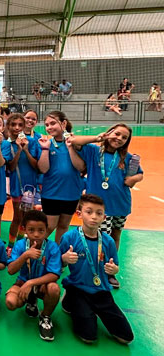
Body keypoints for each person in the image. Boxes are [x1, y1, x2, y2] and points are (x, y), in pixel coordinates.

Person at [68, 124, 143, 288]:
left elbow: (140, 173)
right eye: (117, 134)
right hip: (101, 209)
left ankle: (110, 270)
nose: (119, 139)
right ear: (109, 133)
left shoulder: (127, 158)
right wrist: (98, 137)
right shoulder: (94, 151)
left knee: (115, 238)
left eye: (124, 138)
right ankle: (97, 269)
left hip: (121, 205)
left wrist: (134, 179)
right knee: (102, 240)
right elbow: (75, 141)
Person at [59, 194, 134, 344]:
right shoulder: (69, 238)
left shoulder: (108, 241)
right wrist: (64, 259)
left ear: (104, 217)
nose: (94, 217)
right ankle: (69, 298)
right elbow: (56, 265)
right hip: (78, 287)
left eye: (99, 213)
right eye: (89, 212)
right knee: (88, 337)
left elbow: (116, 266)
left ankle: (93, 309)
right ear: (79, 214)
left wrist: (114, 270)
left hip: (101, 291)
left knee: (126, 338)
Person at [6, 210, 61, 341]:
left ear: (46, 230)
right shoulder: (20, 245)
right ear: (25, 230)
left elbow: (54, 275)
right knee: (10, 302)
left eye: (41, 230)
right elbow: (10, 270)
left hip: (42, 286)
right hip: (22, 283)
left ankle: (45, 317)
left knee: (54, 289)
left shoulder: (52, 247)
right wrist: (25, 255)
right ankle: (31, 302)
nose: (36, 235)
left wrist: (30, 283)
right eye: (31, 230)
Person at [37, 111, 83, 244]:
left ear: (63, 123)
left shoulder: (76, 143)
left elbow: (81, 167)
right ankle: (34, 250)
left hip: (71, 193)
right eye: (46, 125)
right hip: (51, 193)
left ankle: (57, 255)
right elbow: (43, 169)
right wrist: (45, 149)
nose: (49, 127)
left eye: (52, 123)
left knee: (63, 226)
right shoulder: (46, 144)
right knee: (49, 226)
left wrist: (71, 147)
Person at [6, 114, 40, 254]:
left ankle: (20, 244)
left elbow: (36, 165)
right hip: (16, 186)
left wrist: (26, 149)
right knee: (17, 217)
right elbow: (11, 167)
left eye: (20, 125)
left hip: (29, 187)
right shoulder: (7, 145)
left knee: (26, 217)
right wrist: (19, 150)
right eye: (13, 125)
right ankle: (11, 246)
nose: (17, 128)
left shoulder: (32, 142)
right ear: (8, 126)